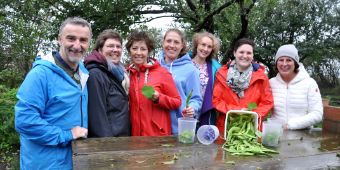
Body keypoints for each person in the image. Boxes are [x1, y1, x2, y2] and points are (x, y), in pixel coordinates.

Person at [15, 17, 91, 169]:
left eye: (83, 40)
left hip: (73, 160)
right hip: (45, 163)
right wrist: (67, 135)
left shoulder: (82, 72)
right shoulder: (40, 74)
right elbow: (25, 120)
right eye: (71, 38)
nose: (77, 45)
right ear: (59, 39)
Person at [212, 38, 273, 136]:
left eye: (249, 53)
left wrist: (252, 114)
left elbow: (267, 102)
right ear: (235, 53)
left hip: (251, 129)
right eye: (241, 52)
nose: (245, 56)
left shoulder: (261, 77)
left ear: (252, 55)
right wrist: (237, 111)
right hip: (226, 128)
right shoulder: (221, 74)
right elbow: (216, 101)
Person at [127, 30, 181, 136]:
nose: (138, 53)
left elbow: (177, 102)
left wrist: (159, 98)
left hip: (157, 135)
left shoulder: (162, 73)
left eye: (143, 49)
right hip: (135, 135)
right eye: (134, 48)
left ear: (148, 52)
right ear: (129, 51)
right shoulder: (127, 74)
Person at [84, 29, 130, 137]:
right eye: (110, 46)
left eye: (118, 47)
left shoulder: (120, 73)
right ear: (100, 49)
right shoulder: (96, 74)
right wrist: (107, 146)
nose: (115, 50)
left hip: (121, 139)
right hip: (109, 143)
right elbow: (97, 117)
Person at [159, 28, 202, 135]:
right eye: (168, 41)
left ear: (182, 45)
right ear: (163, 42)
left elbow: (196, 99)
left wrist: (192, 108)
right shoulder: (155, 66)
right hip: (157, 127)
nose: (172, 45)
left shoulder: (191, 70)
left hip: (179, 129)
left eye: (176, 42)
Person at [269, 44, 323, 130]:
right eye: (281, 60)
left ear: (295, 63)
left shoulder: (309, 83)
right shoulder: (271, 83)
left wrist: (290, 125)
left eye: (289, 60)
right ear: (276, 63)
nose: (284, 64)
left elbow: (317, 114)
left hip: (303, 136)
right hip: (275, 135)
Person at [191, 31, 221, 127]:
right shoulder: (185, 63)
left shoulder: (215, 68)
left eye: (209, 47)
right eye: (203, 45)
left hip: (206, 111)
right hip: (187, 110)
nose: (205, 49)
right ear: (197, 45)